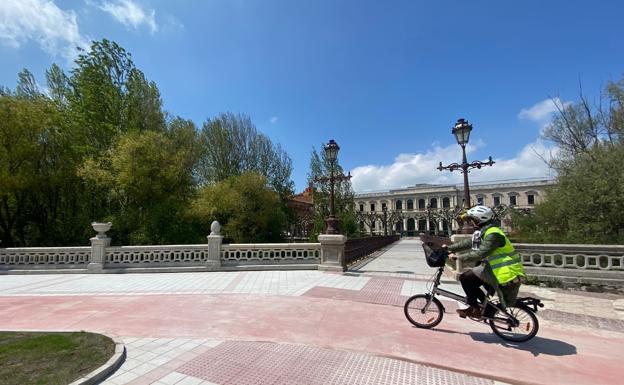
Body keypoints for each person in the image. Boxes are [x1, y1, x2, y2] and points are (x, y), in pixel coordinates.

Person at [443, 205, 525, 318]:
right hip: (494, 269)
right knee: (469, 280)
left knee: (465, 278)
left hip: (504, 272)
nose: (470, 222)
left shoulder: (493, 234)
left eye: (472, 219)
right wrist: (449, 248)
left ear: (478, 220)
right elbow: (468, 243)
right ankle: (479, 307)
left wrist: (458, 257)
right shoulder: (484, 231)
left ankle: (476, 308)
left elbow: (481, 253)